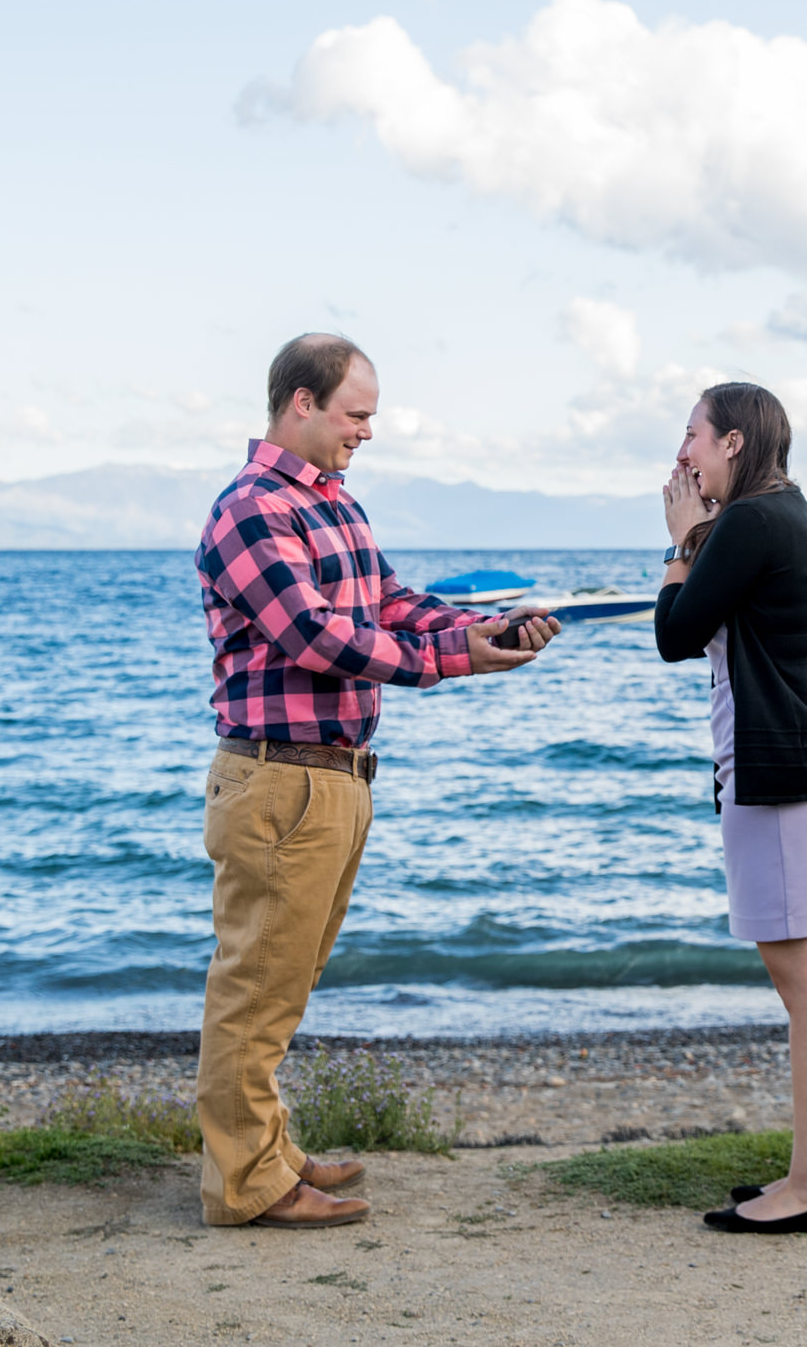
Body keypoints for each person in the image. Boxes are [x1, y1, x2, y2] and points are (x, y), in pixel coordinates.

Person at [192, 332, 556, 1230]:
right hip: (282, 782)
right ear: (301, 403)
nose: (367, 432)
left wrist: (487, 624)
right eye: (357, 415)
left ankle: (264, 1150)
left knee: (287, 979)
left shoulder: (335, 508)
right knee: (256, 986)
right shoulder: (251, 509)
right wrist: (455, 661)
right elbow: (317, 636)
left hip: (336, 778)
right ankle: (244, 1185)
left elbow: (391, 605)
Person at [653, 382, 807, 1235]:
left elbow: (675, 633)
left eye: (694, 435)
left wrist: (675, 544)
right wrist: (700, 534)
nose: (684, 453)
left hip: (776, 774)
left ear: (734, 443)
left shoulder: (749, 523)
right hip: (804, 766)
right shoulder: (783, 514)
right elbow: (724, 615)